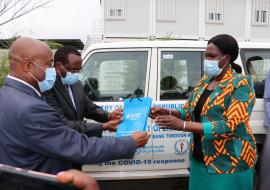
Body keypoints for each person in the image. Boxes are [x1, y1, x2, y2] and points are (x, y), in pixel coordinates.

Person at [0, 37, 149, 175]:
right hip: (39, 180)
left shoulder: (6, 94)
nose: (50, 70)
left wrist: (108, 116)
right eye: (47, 64)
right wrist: (129, 142)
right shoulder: (32, 107)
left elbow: (88, 107)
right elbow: (78, 146)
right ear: (27, 65)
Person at [150, 34, 257, 190]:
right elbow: (188, 110)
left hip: (229, 162)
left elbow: (231, 125)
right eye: (206, 55)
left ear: (227, 58)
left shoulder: (240, 84)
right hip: (200, 160)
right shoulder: (206, 81)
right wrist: (168, 112)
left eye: (212, 56)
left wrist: (184, 125)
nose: (207, 59)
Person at [43, 46, 121, 138]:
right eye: (73, 70)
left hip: (78, 141)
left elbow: (90, 109)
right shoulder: (47, 87)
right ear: (58, 66)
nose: (76, 74)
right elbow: (61, 122)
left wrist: (109, 116)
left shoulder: (76, 84)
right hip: (60, 141)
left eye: (79, 70)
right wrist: (103, 127)